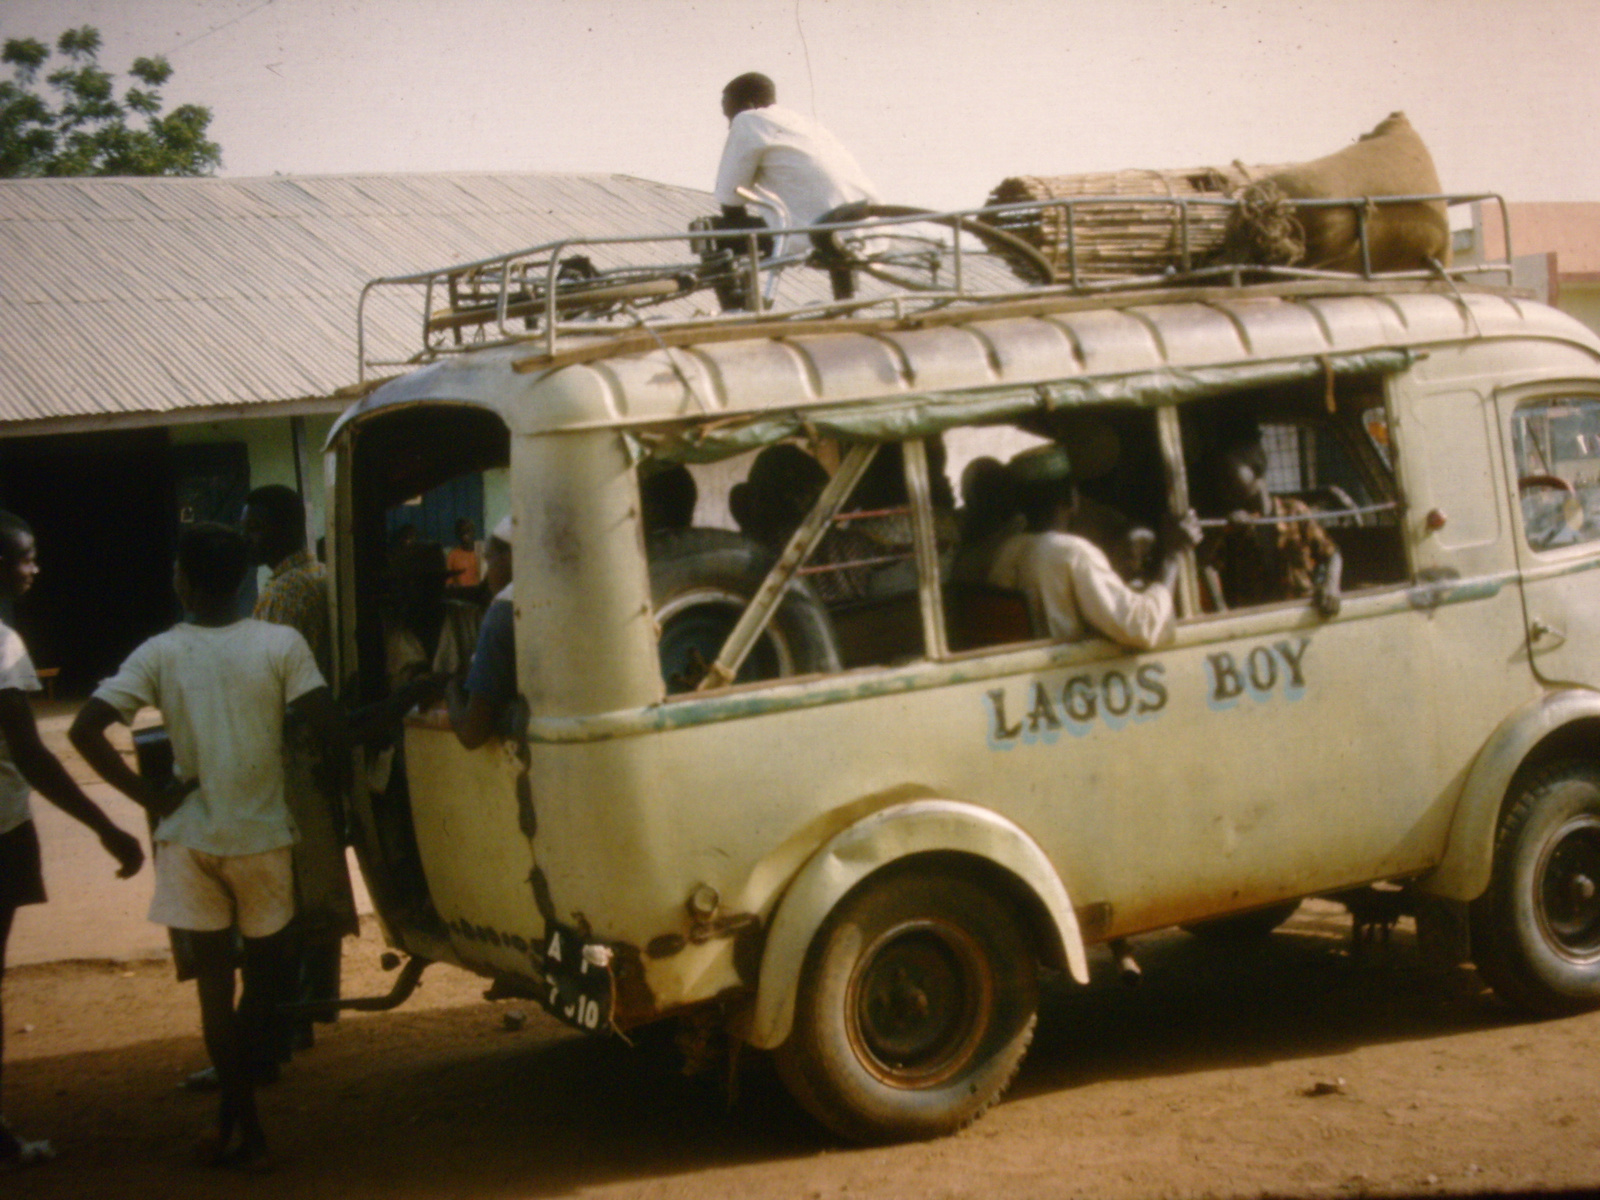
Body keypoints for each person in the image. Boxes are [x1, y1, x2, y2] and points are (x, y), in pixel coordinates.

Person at [70, 524, 437, 1172]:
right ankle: (237, 1123)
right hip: (263, 844)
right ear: (244, 579)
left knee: (214, 992)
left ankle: (241, 1123)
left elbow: (86, 729)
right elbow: (339, 734)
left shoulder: (160, 653)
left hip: (188, 842)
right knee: (262, 990)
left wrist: (146, 798)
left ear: (182, 579)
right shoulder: (280, 645)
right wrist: (406, 697)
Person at [0, 510, 145, 1169]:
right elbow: (32, 755)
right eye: (23, 557)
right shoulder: (3, 647)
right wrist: (106, 825)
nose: (34, 568)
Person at [241, 485, 356, 1065]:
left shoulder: (286, 593)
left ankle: (287, 1021)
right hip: (316, 750)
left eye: (255, 527)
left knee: (286, 891)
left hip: (291, 749)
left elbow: (268, 689)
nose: (247, 538)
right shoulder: (317, 579)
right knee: (314, 873)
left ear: (283, 527)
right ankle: (313, 1006)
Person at [987, 444, 1200, 650]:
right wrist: (1173, 555)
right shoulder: (1074, 552)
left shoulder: (1007, 549)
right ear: (1071, 497)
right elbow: (1142, 628)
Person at [712, 72, 879, 305]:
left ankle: (743, 311)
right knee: (825, 218)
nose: (730, 124)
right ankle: (846, 302)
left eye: (729, 115)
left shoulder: (749, 119)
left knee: (710, 233)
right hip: (870, 229)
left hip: (820, 232)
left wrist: (737, 236)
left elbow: (731, 199)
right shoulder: (805, 123)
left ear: (748, 105)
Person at [1198, 420, 1343, 617]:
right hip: (1259, 620)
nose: (1224, 485)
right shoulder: (1234, 526)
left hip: (1303, 615)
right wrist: (1221, 609)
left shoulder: (1294, 511)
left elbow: (1332, 553)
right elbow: (1205, 564)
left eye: (1228, 474)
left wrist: (1331, 586)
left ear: (1256, 467)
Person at [448, 516, 517, 749]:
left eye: (489, 558)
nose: (487, 572)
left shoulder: (504, 611)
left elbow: (472, 733)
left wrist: (449, 689)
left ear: (510, 557)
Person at [446, 519, 481, 590]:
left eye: (468, 530)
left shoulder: (481, 552)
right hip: (461, 596)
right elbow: (448, 583)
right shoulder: (453, 555)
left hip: (480, 594)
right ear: (457, 534)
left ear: (473, 532)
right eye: (462, 531)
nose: (465, 533)